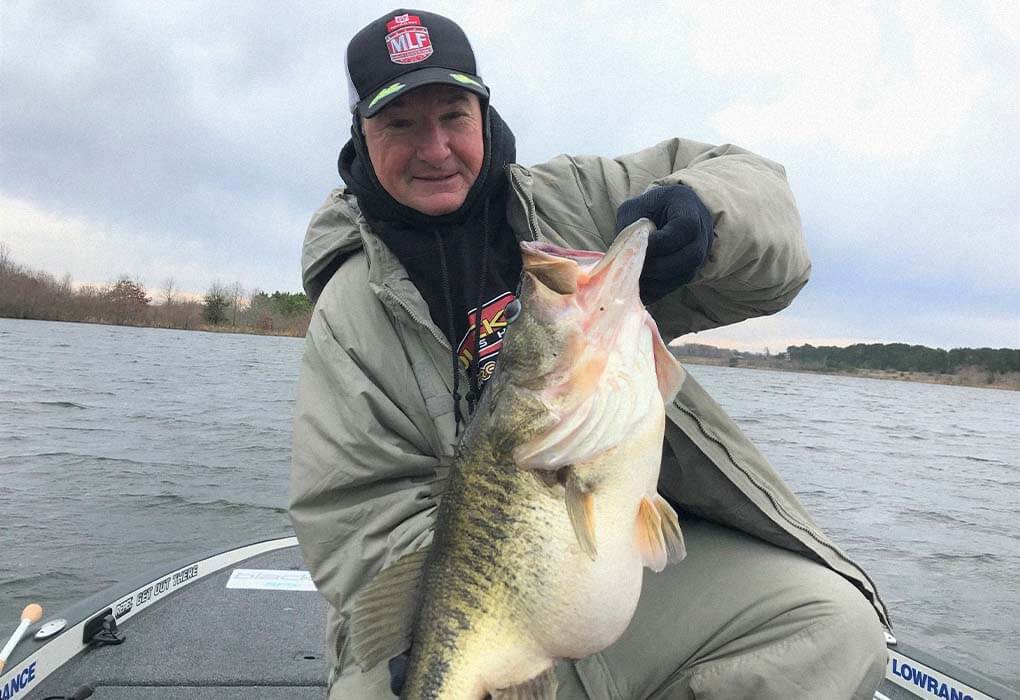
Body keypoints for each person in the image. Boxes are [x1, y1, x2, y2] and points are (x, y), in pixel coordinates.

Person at [290, 9, 889, 699]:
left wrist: (710, 214)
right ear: (361, 135)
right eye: (400, 125)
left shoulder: (571, 202)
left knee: (827, 625)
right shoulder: (349, 312)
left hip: (613, 567)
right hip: (458, 606)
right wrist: (439, 639)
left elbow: (762, 212)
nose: (435, 148)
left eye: (453, 115)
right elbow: (355, 512)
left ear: (484, 114)